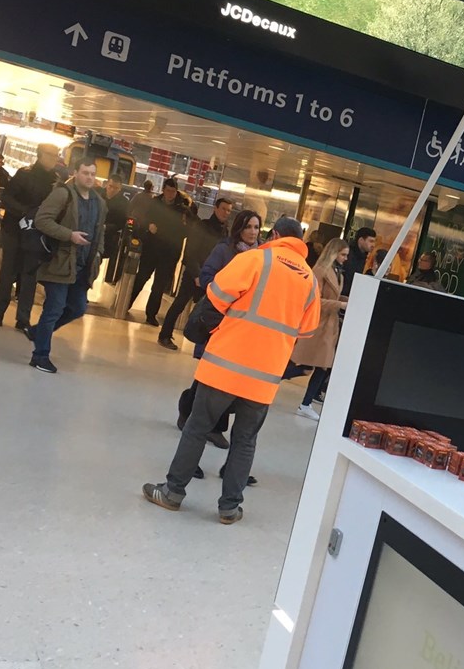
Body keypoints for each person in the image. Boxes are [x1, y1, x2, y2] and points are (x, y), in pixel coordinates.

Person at [142, 217, 320, 525]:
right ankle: (229, 508)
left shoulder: (255, 259)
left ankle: (172, 493)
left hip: (225, 366)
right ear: (300, 241)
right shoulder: (309, 280)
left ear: (274, 235)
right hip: (264, 377)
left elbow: (217, 295)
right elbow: (307, 330)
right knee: (245, 441)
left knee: (197, 427)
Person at [176, 209, 262, 452]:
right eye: (248, 227)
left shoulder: (262, 257)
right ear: (239, 228)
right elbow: (207, 276)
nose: (252, 232)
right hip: (219, 320)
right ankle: (187, 412)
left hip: (243, 327)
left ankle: (215, 426)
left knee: (230, 380)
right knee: (208, 376)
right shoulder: (224, 249)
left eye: (256, 227)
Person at [25, 157, 106, 374]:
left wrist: (98, 251)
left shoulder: (99, 202)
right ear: (76, 173)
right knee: (54, 308)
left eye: (92, 173)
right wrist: (69, 235)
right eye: (85, 173)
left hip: (83, 266)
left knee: (78, 307)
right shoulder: (63, 194)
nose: (89, 177)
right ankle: (40, 355)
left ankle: (37, 332)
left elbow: (100, 230)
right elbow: (42, 219)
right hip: (59, 262)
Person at [0, 143, 60, 331]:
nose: (55, 158)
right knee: (8, 272)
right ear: (40, 155)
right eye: (51, 154)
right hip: (14, 230)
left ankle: (23, 318)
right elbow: (7, 198)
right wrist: (26, 212)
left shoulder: (56, 181)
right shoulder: (24, 174)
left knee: (30, 276)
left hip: (37, 235)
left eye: (56, 155)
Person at [157, 197, 232, 350]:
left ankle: (204, 343)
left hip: (213, 277)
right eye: (223, 209)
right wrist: (197, 275)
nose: (226, 213)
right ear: (215, 209)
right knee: (180, 304)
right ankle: (164, 334)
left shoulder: (226, 231)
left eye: (229, 210)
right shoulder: (202, 226)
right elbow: (190, 252)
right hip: (195, 274)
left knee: (209, 310)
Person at [292, 237, 348, 421]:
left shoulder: (337, 272)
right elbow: (314, 299)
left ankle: (305, 403)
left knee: (320, 366)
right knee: (305, 366)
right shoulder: (320, 271)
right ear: (334, 253)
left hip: (327, 326)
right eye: (343, 254)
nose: (346, 258)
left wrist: (343, 301)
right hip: (318, 324)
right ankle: (302, 401)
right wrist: (339, 304)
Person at [128, 177, 189, 325]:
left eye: (173, 191)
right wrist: (149, 225)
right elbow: (145, 219)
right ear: (163, 190)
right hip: (152, 248)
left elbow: (185, 230)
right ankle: (126, 303)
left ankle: (151, 314)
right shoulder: (154, 203)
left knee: (159, 285)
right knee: (142, 277)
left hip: (169, 252)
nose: (170, 194)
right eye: (168, 191)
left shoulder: (182, 208)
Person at [99, 173, 130, 284]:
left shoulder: (123, 203)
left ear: (120, 188)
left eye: (116, 188)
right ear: (107, 184)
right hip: (89, 233)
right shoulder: (98, 195)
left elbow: (121, 222)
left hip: (106, 237)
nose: (112, 190)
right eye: (110, 186)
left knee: (96, 263)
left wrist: (106, 227)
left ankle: (83, 289)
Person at [342, 226, 376, 295]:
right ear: (361, 240)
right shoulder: (347, 254)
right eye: (370, 241)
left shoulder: (364, 257)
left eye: (374, 242)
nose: (373, 245)